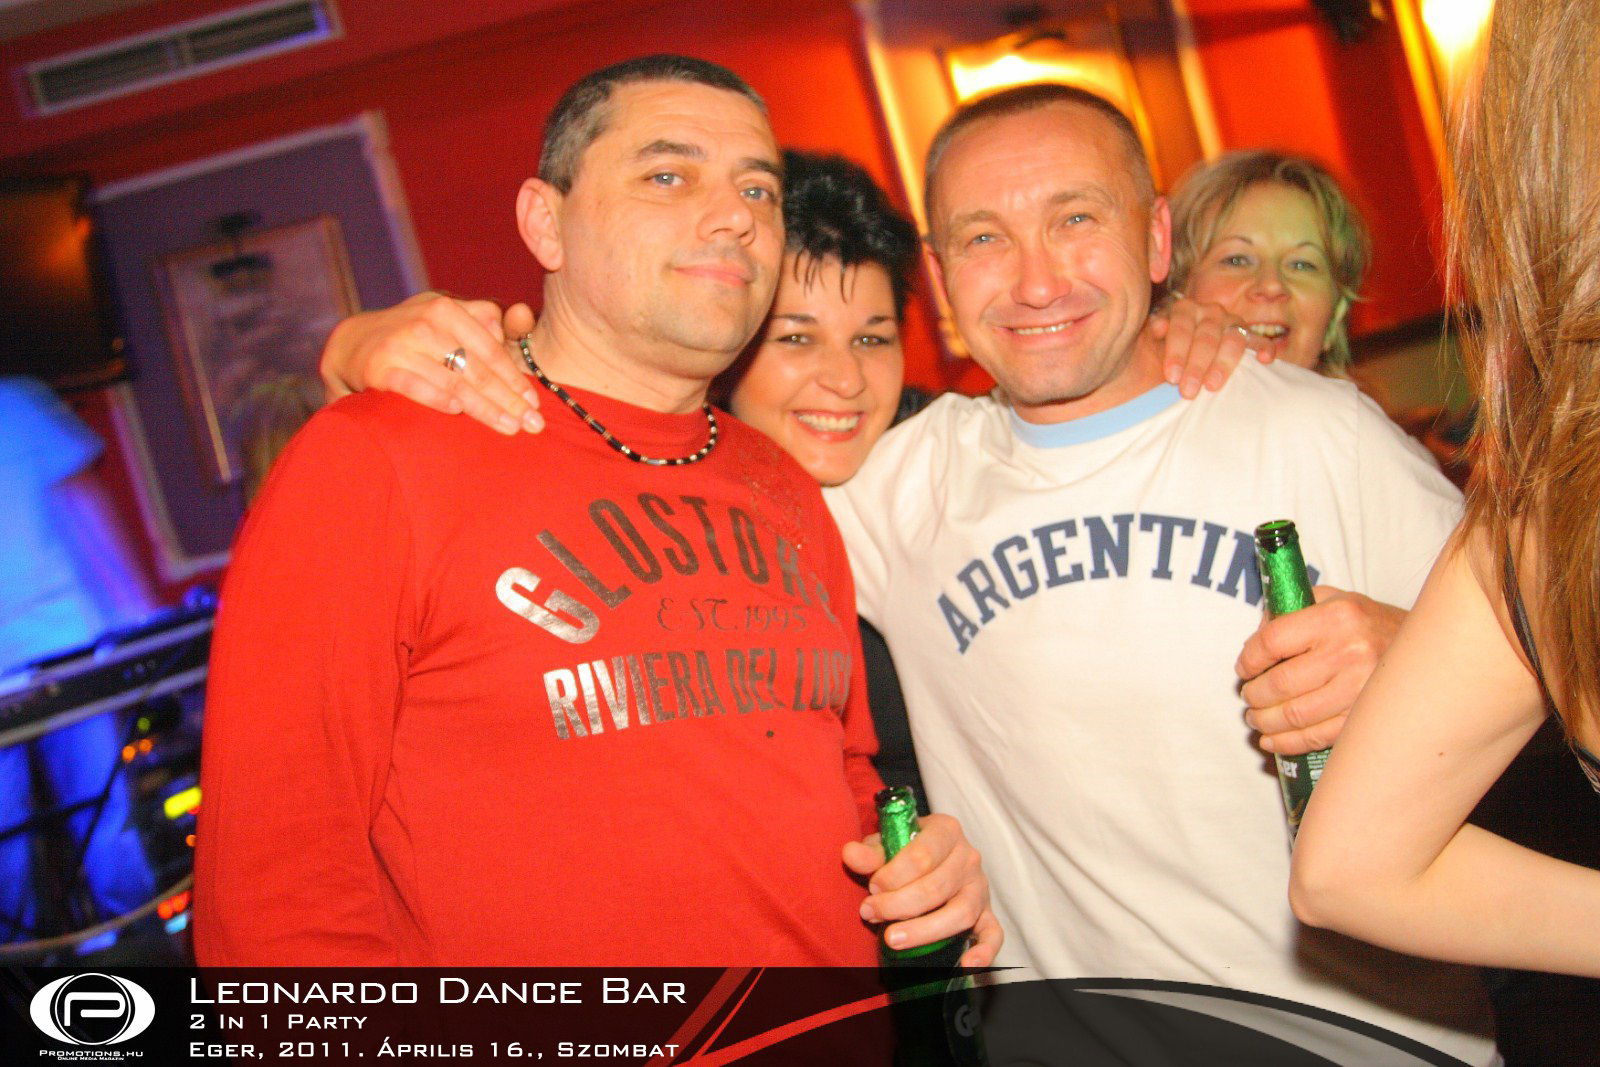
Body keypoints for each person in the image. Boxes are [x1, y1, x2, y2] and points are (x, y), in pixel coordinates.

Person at [194, 54, 998, 967]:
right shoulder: (374, 459)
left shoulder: (785, 484)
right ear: (547, 222)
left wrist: (917, 867)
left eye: (758, 191)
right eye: (668, 175)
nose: (736, 215)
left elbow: (842, 776)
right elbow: (272, 895)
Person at [823, 84, 1492, 1060]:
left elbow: (1556, 667)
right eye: (983, 237)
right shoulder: (896, 484)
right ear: (937, 274)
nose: (1036, 281)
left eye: (1075, 220)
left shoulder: (1321, 434)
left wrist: (1429, 660)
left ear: (1155, 238)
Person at [1290, 0, 1600, 981]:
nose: (1263, 293)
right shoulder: (1538, 506)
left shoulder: (1531, 498)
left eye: (1299, 263)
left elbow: (1346, 867)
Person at [0, 376, 158, 944]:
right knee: (11, 852)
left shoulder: (17, 403)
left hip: (67, 647)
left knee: (104, 821)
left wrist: (132, 612)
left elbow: (83, 504)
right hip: (57, 647)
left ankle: (137, 949)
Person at [1166, 150, 1368, 374]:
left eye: (1301, 265)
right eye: (1237, 260)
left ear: (1335, 317)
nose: (1272, 286)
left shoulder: (1347, 400)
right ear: (1179, 293)